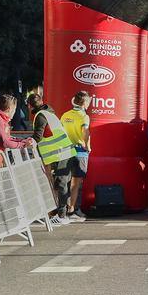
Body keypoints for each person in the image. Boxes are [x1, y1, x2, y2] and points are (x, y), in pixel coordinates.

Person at [27, 93, 74, 225]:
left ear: (29, 106)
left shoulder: (40, 115)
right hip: (64, 152)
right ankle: (61, 214)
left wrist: (25, 142)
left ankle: (62, 216)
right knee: (62, 184)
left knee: (61, 184)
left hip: (60, 153)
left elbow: (38, 136)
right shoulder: (49, 112)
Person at [58, 92, 92, 222]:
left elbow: (60, 132)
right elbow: (85, 131)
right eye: (88, 102)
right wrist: (87, 146)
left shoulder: (65, 115)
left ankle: (63, 210)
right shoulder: (84, 116)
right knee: (76, 183)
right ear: (84, 103)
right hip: (79, 151)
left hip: (65, 151)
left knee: (64, 181)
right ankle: (73, 210)